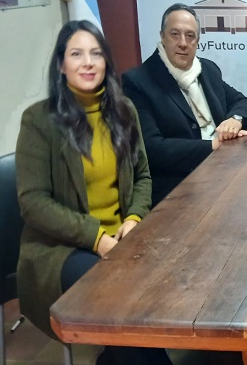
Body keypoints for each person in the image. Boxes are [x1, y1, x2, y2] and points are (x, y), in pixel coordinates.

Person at [15, 20, 172, 365]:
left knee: (170, 282)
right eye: (77, 54)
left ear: (106, 62)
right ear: (61, 64)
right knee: (121, 298)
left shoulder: (124, 111)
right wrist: (97, 238)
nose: (88, 62)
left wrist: (134, 219)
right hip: (61, 248)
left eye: (96, 54)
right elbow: (33, 203)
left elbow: (143, 176)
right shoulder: (39, 121)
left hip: (123, 237)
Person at [123, 3, 247, 205]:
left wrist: (235, 120)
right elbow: (151, 149)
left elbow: (243, 102)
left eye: (190, 36)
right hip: (178, 189)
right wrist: (213, 146)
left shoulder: (207, 70)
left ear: (198, 41)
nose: (183, 43)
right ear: (162, 36)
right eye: (175, 34)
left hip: (225, 172)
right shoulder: (138, 81)